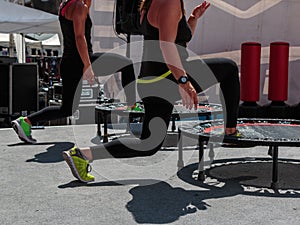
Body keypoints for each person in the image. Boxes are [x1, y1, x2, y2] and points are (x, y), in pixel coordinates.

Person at [62, 0, 241, 183]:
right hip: (168, 76)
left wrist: (193, 19)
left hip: (153, 80)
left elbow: (177, 42)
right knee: (229, 68)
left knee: (148, 144)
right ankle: (230, 131)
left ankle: (82, 154)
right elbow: (167, 46)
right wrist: (184, 82)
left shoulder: (150, 3)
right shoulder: (170, 2)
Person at [11, 0, 136, 144]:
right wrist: (87, 66)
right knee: (126, 64)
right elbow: (79, 37)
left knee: (67, 109)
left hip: (69, 64)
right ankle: (132, 104)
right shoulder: (79, 6)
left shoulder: (66, 4)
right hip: (81, 61)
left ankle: (26, 121)